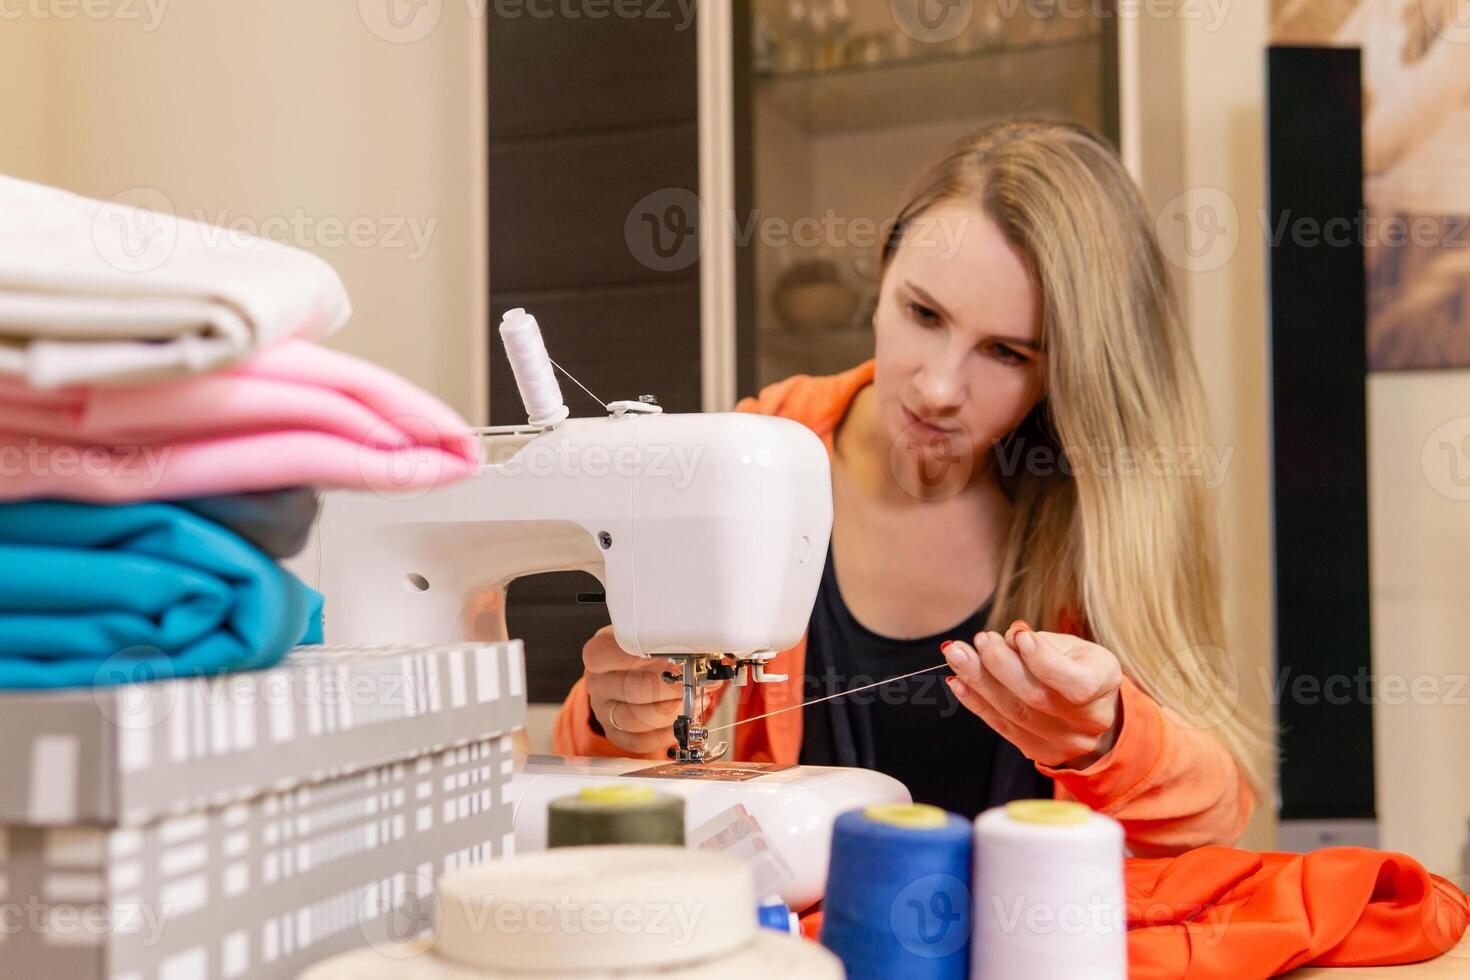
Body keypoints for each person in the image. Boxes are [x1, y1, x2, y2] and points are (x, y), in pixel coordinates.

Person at [554, 119, 1266, 855]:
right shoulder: (752, 459)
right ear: (882, 271)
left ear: (1067, 369)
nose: (937, 387)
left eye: (1005, 351)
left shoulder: (1100, 511)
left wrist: (1109, 738)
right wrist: (615, 721)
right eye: (923, 313)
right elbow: (603, 777)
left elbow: (1214, 811)